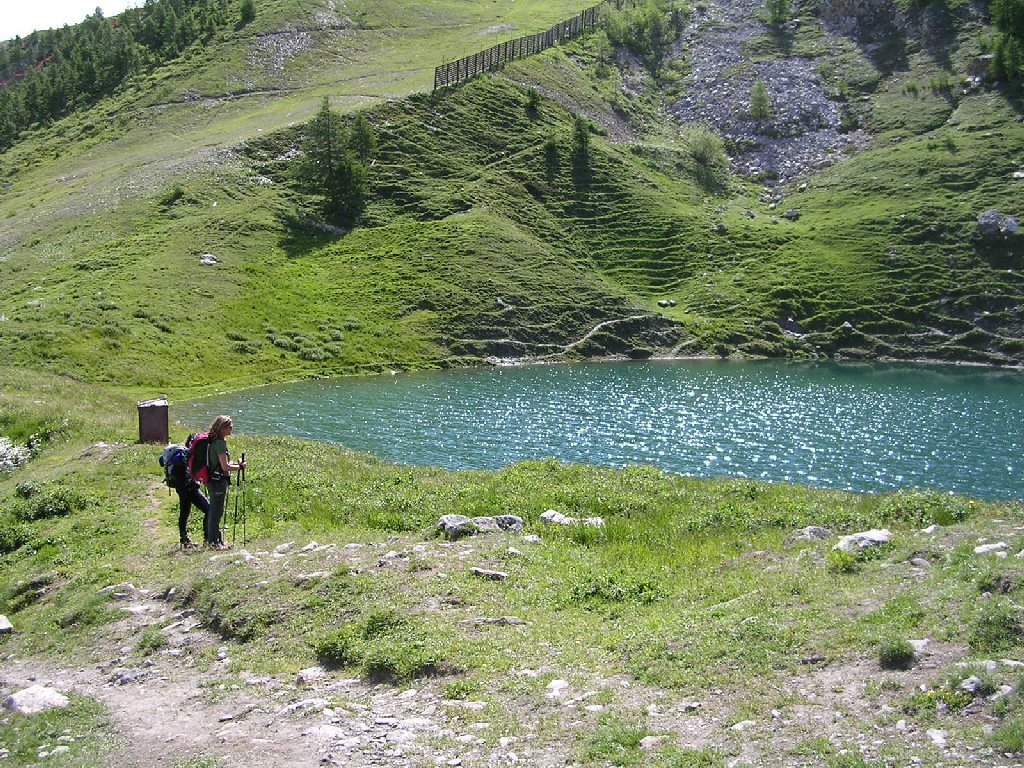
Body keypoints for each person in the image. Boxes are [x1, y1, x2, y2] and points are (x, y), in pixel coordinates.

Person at [204, 415, 246, 550]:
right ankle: (213, 543)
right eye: (229, 426)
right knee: (216, 512)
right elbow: (225, 467)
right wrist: (240, 467)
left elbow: (221, 464)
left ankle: (216, 540)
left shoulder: (213, 441)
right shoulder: (220, 444)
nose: (231, 429)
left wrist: (234, 464)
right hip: (218, 481)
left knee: (214, 510)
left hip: (212, 480)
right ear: (222, 428)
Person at [173, 441, 209, 549]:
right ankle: (208, 539)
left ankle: (184, 539)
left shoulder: (183, 454)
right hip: (190, 487)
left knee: (184, 511)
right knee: (209, 509)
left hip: (181, 487)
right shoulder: (192, 454)